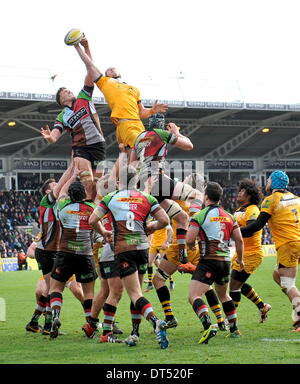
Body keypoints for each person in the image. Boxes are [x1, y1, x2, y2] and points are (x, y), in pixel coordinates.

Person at [89, 165, 170, 348]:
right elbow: (164, 220)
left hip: (124, 249)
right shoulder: (147, 198)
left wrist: (104, 232)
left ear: (118, 181)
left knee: (134, 294)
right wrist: (152, 227)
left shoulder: (110, 198)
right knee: (137, 293)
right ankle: (135, 333)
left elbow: (92, 220)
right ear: (137, 181)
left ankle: (156, 322)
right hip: (142, 248)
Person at [41, 36, 106, 201]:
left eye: (68, 89)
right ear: (62, 101)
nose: (69, 91)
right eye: (65, 92)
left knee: (97, 187)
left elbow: (90, 68)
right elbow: (55, 137)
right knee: (87, 180)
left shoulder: (84, 97)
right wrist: (50, 138)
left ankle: (91, 210)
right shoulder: (62, 116)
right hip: (80, 148)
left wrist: (85, 48)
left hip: (98, 144)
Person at [241, 171, 300, 332]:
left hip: (288, 244)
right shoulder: (296, 198)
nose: (266, 182)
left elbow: (256, 226)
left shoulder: (271, 200)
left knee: (288, 283)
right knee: (276, 275)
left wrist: (234, 232)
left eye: (268, 180)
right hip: (296, 241)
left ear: (274, 183)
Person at [49, 178, 108, 338]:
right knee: (88, 293)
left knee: (55, 288)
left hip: (65, 253)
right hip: (85, 254)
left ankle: (55, 317)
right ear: (84, 194)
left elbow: (60, 194)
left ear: (70, 194)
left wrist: (73, 173)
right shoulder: (93, 208)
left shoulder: (62, 206)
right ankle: (90, 325)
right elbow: (97, 230)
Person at [187, 182, 244, 344]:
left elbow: (190, 240)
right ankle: (234, 329)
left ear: (206, 197)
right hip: (225, 262)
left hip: (209, 261)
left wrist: (191, 246)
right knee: (224, 295)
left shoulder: (200, 215)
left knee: (194, 295)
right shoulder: (229, 216)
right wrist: (240, 259)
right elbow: (239, 240)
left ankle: (207, 325)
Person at [25, 167, 75, 334]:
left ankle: (36, 323)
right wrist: (74, 169)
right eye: (54, 184)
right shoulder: (47, 200)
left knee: (49, 289)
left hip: (50, 250)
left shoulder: (57, 203)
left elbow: (65, 186)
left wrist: (74, 166)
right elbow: (65, 182)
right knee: (53, 289)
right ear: (48, 191)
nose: (58, 185)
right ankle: (48, 325)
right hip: (47, 251)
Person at [229, 179, 271, 322]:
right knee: (237, 283)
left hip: (252, 253)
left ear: (249, 195)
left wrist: (231, 233)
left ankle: (231, 321)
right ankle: (262, 306)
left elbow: (251, 230)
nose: (239, 193)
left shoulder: (253, 209)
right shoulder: (238, 210)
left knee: (234, 285)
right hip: (240, 253)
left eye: (242, 191)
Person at [144, 222, 174, 292]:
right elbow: (149, 232)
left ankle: (171, 281)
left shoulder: (163, 220)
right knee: (149, 262)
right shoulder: (151, 220)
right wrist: (149, 241)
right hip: (153, 245)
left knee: (165, 266)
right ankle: (150, 284)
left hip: (162, 245)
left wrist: (165, 242)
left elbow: (171, 231)